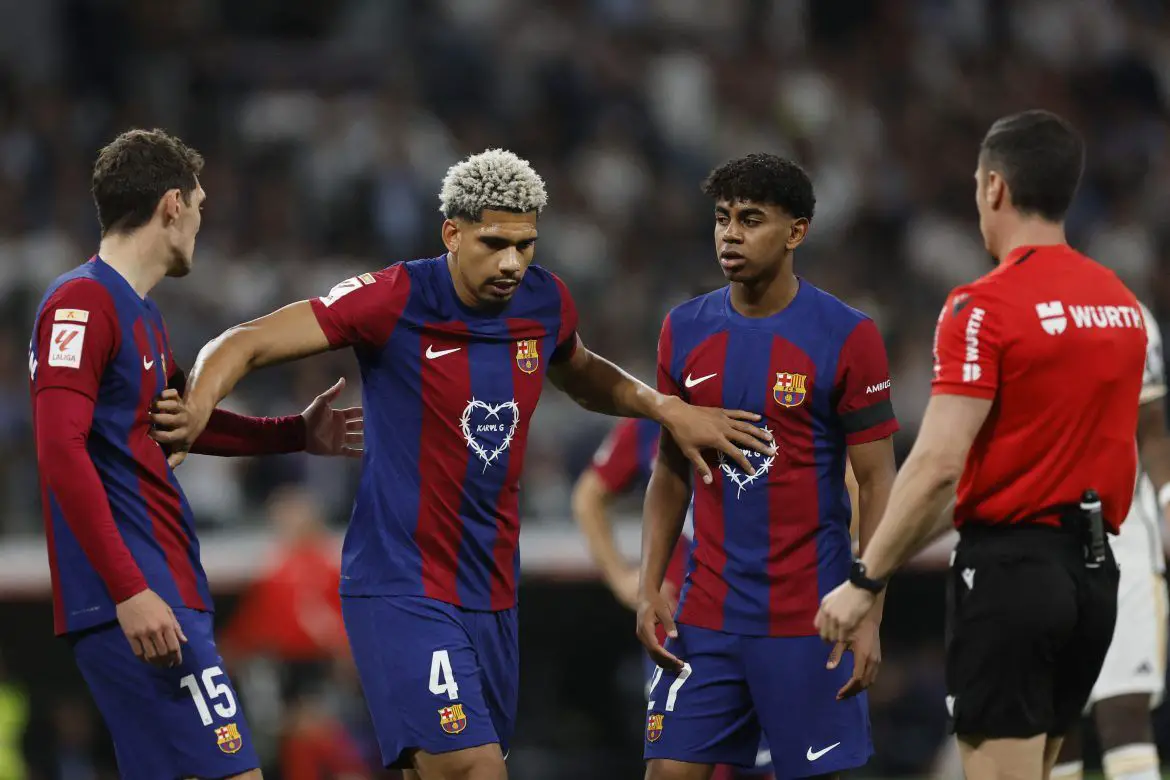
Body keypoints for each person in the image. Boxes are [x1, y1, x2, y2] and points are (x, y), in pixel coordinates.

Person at [150, 148, 775, 780]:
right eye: (493, 243)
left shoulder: (545, 301)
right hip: (402, 584)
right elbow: (245, 342)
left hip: (493, 593)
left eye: (525, 245)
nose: (511, 263)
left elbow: (582, 374)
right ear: (452, 233)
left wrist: (664, 407)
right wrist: (199, 403)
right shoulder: (394, 297)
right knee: (475, 769)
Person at [815, 109, 1146, 780]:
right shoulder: (1120, 306)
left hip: (1010, 579)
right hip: (1092, 581)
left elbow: (939, 463)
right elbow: (992, 476)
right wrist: (894, 551)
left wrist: (864, 580)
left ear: (995, 186)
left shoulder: (983, 307)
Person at [28, 129, 362, 780]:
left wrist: (292, 433)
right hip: (139, 594)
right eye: (201, 206)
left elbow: (181, 425)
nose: (202, 224)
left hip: (166, 586)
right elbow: (59, 448)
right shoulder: (80, 302)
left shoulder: (142, 315)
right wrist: (130, 591)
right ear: (172, 205)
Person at [636, 153, 899, 780]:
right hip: (708, 614)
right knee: (667, 771)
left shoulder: (848, 335)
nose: (730, 234)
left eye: (750, 220)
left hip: (812, 619)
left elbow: (877, 481)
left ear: (796, 231)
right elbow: (669, 471)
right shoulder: (683, 330)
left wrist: (869, 610)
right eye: (722, 218)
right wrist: (648, 586)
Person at [1052, 300, 1170, 780]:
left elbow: (1153, 425)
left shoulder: (1128, 313)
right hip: (1040, 536)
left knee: (1125, 708)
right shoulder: (996, 313)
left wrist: (1168, 501)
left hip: (1125, 533)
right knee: (1053, 719)